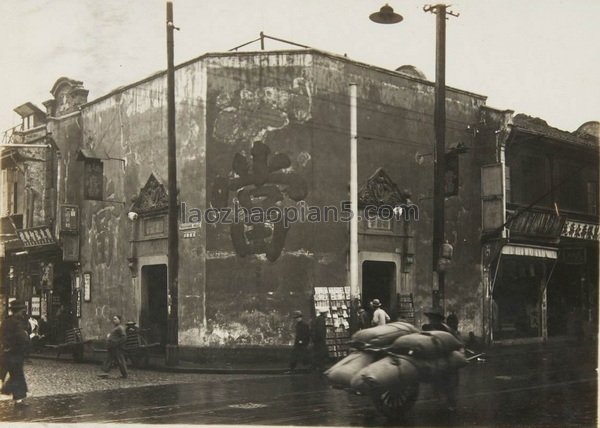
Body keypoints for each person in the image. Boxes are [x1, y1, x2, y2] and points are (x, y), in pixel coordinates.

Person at [422, 307, 461, 412]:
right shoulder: (427, 328)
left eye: (433, 318)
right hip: (434, 357)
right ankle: (440, 401)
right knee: (436, 383)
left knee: (449, 384)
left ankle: (451, 404)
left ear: (438, 319)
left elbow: (454, 343)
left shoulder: (445, 329)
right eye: (430, 318)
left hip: (446, 357)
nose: (431, 320)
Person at [0, 300, 31, 407]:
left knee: (10, 375)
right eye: (23, 311)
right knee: (17, 375)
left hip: (5, 353)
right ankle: (14, 397)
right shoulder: (17, 322)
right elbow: (22, 337)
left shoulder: (6, 321)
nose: (24, 313)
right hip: (15, 353)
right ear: (18, 311)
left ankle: (18, 399)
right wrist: (28, 337)